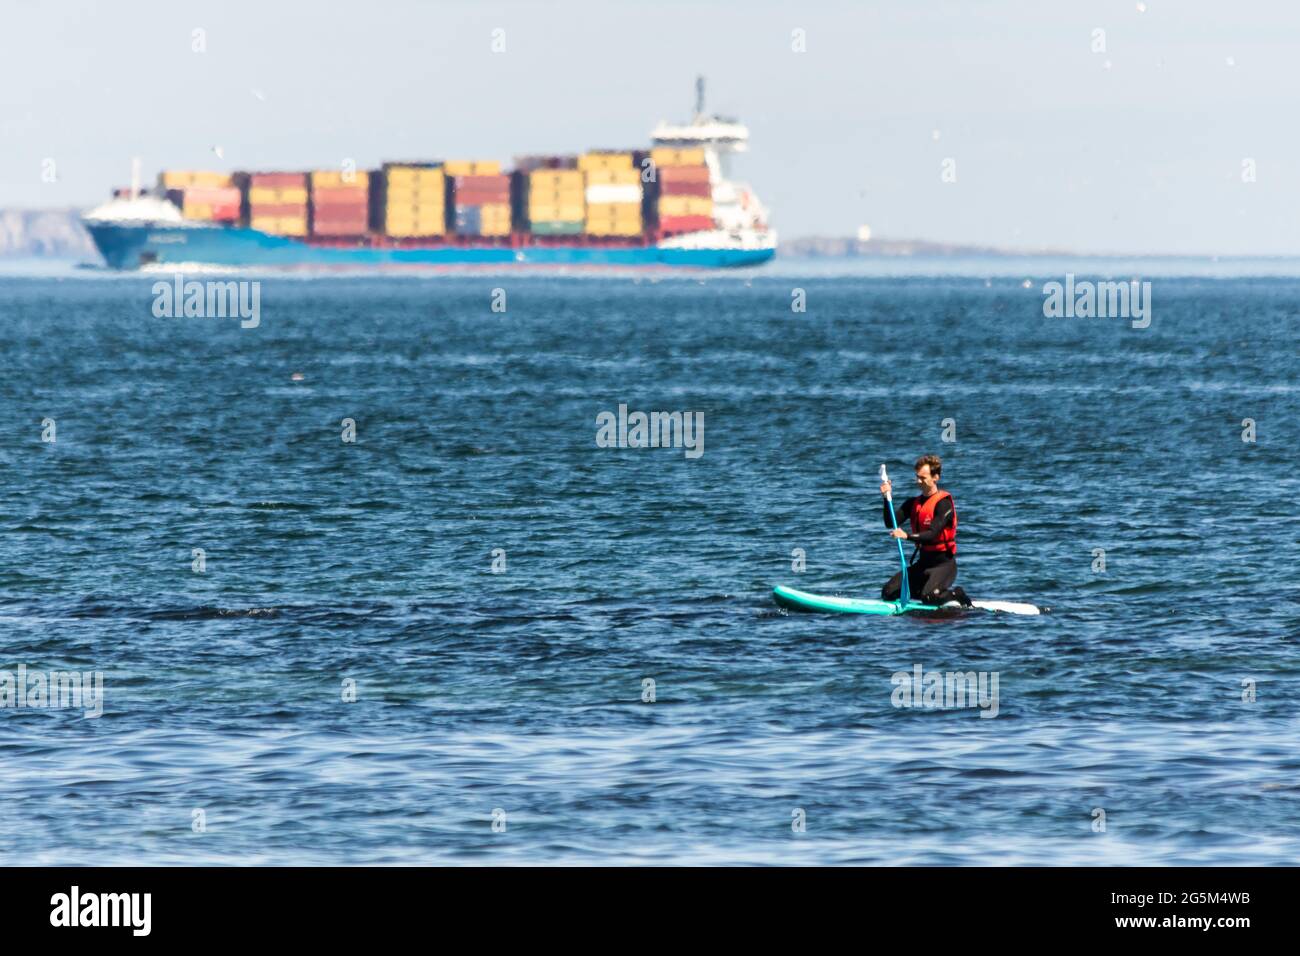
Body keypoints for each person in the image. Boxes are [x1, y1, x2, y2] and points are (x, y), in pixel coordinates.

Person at [879, 454, 972, 607]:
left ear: (936, 477)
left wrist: (906, 536)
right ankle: (928, 592)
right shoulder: (913, 503)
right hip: (923, 564)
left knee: (929, 598)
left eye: (923, 478)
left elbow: (932, 534)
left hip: (943, 565)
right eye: (917, 477)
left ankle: (957, 594)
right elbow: (890, 522)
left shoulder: (944, 504)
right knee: (888, 592)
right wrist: (886, 497)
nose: (918, 481)